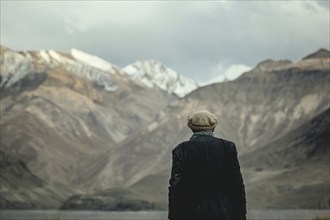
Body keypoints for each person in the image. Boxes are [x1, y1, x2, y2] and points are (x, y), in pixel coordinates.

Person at [168, 110, 246, 220]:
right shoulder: (227, 147)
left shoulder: (181, 149)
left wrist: (173, 216)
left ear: (191, 128)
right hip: (224, 213)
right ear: (213, 127)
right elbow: (237, 183)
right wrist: (241, 214)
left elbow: (176, 186)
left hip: (190, 213)